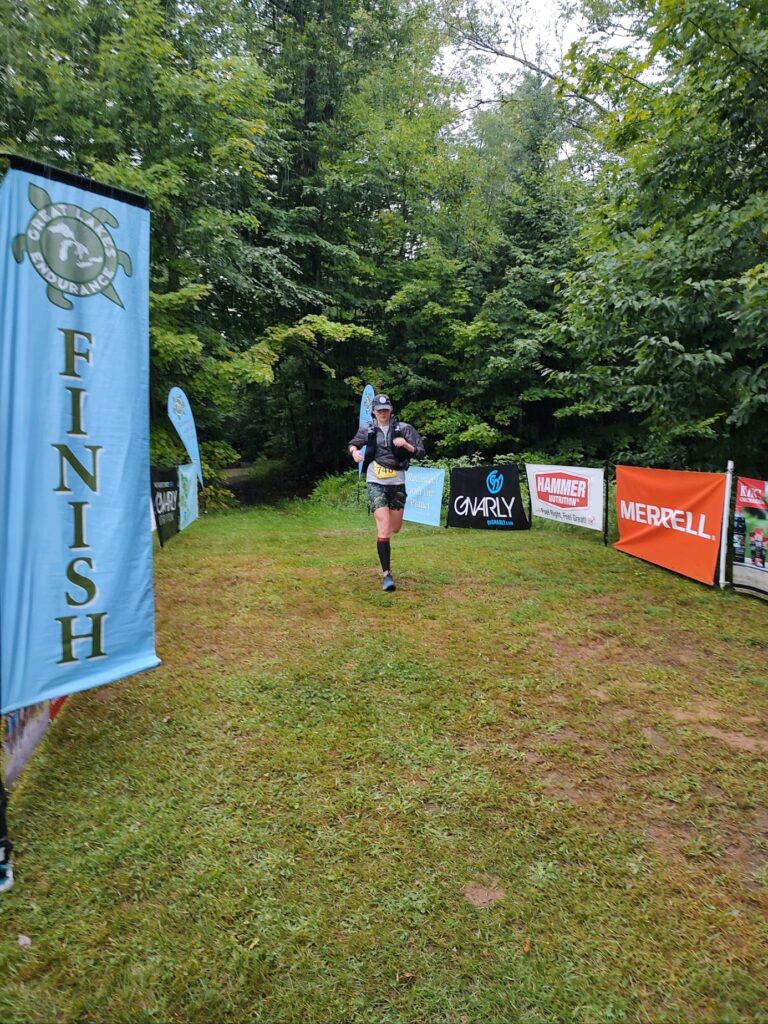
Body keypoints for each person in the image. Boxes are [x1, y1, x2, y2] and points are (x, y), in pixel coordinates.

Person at [348, 393, 425, 591]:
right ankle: (387, 575)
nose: (383, 414)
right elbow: (353, 443)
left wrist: (406, 445)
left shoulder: (404, 429)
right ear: (373, 412)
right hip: (375, 481)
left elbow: (420, 451)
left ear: (391, 411)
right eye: (379, 411)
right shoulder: (367, 430)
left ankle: (387, 536)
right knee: (383, 526)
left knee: (395, 527)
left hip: (397, 482)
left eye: (386, 410)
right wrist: (354, 452)